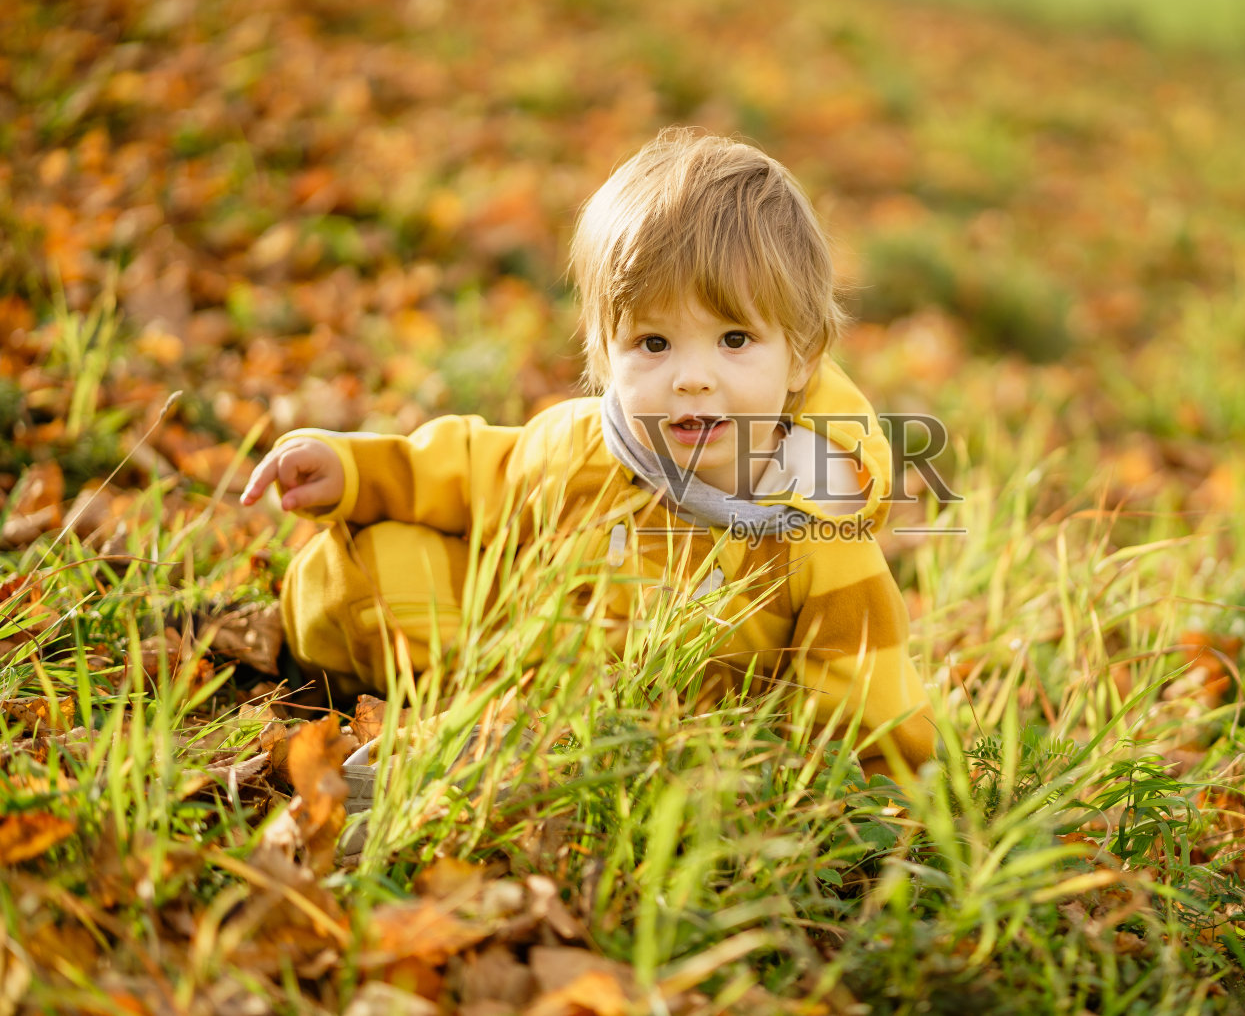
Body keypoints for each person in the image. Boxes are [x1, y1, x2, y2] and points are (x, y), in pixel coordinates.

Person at [242, 129, 937, 777]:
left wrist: (864, 794)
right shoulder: (586, 444)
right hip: (528, 666)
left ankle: (496, 755)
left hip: (684, 749)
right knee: (359, 563)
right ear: (605, 355)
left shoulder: (815, 531)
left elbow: (866, 688)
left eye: (733, 340)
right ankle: (451, 720)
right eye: (654, 344)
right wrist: (355, 469)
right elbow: (471, 471)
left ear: (800, 356)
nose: (692, 377)